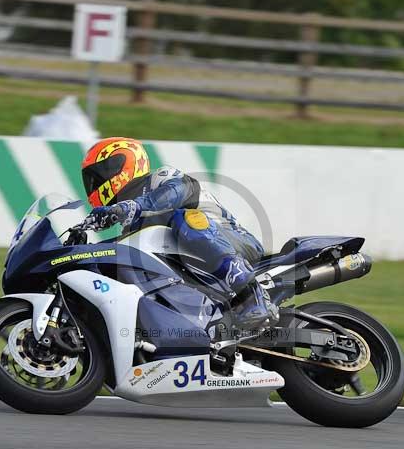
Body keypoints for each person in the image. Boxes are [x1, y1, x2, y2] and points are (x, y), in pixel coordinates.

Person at [80, 136, 276, 327]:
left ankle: (251, 294)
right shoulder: (131, 226)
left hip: (237, 241)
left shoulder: (160, 178)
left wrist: (130, 207)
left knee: (187, 220)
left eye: (104, 171)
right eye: (93, 178)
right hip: (201, 269)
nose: (97, 181)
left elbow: (179, 190)